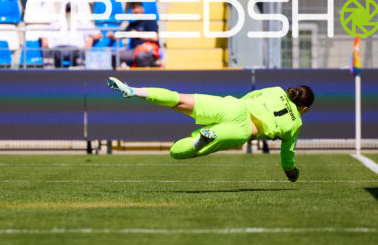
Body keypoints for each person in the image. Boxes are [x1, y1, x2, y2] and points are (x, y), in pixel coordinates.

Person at [106, 75, 311, 180]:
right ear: (304, 108)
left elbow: (250, 96)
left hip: (235, 107)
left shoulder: (276, 90)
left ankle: (133, 90)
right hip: (243, 129)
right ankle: (200, 141)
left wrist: (235, 106)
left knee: (178, 99)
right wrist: (290, 172)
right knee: (182, 151)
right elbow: (287, 154)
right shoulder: (296, 123)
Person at [106, 1, 160, 67]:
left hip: (148, 50)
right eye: (133, 8)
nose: (136, 10)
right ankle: (120, 74)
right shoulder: (132, 25)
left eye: (138, 7)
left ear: (142, 9)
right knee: (114, 55)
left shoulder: (150, 21)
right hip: (134, 50)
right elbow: (121, 35)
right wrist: (113, 35)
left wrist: (138, 34)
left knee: (140, 56)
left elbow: (155, 37)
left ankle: (144, 75)